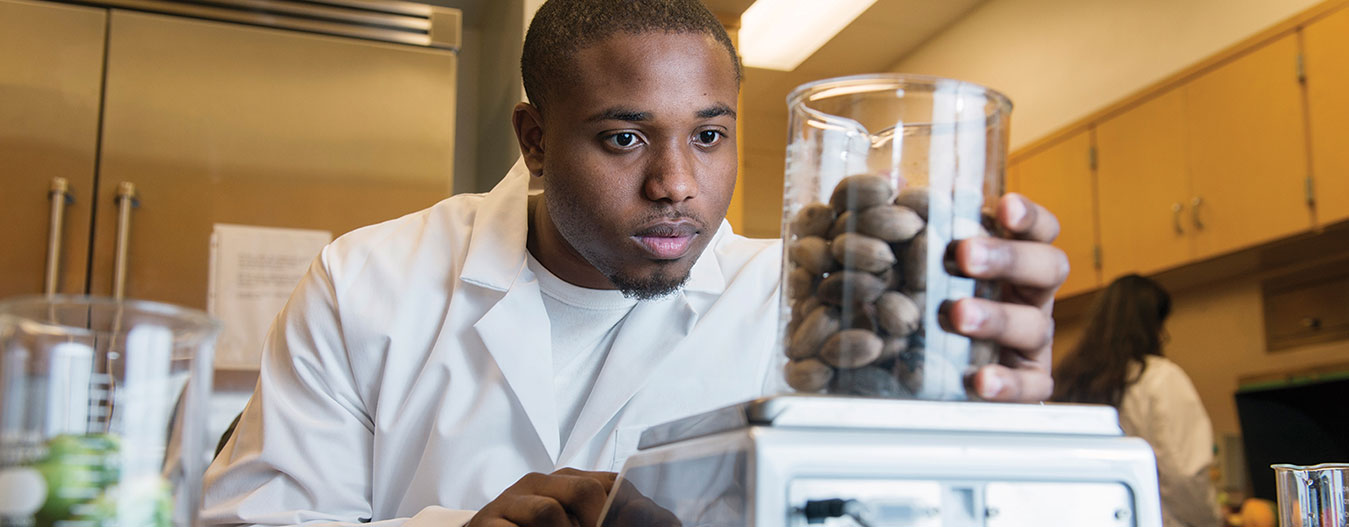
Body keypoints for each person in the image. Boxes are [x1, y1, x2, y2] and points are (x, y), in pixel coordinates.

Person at [201, 1, 1069, 526]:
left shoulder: (806, 304)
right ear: (535, 142)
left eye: (708, 135)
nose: (676, 184)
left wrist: (991, 426)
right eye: (624, 137)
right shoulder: (369, 279)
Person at [1053, 274, 1220, 527]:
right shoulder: (1159, 378)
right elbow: (1185, 477)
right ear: (1152, 325)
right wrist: (1211, 521)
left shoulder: (1068, 381)